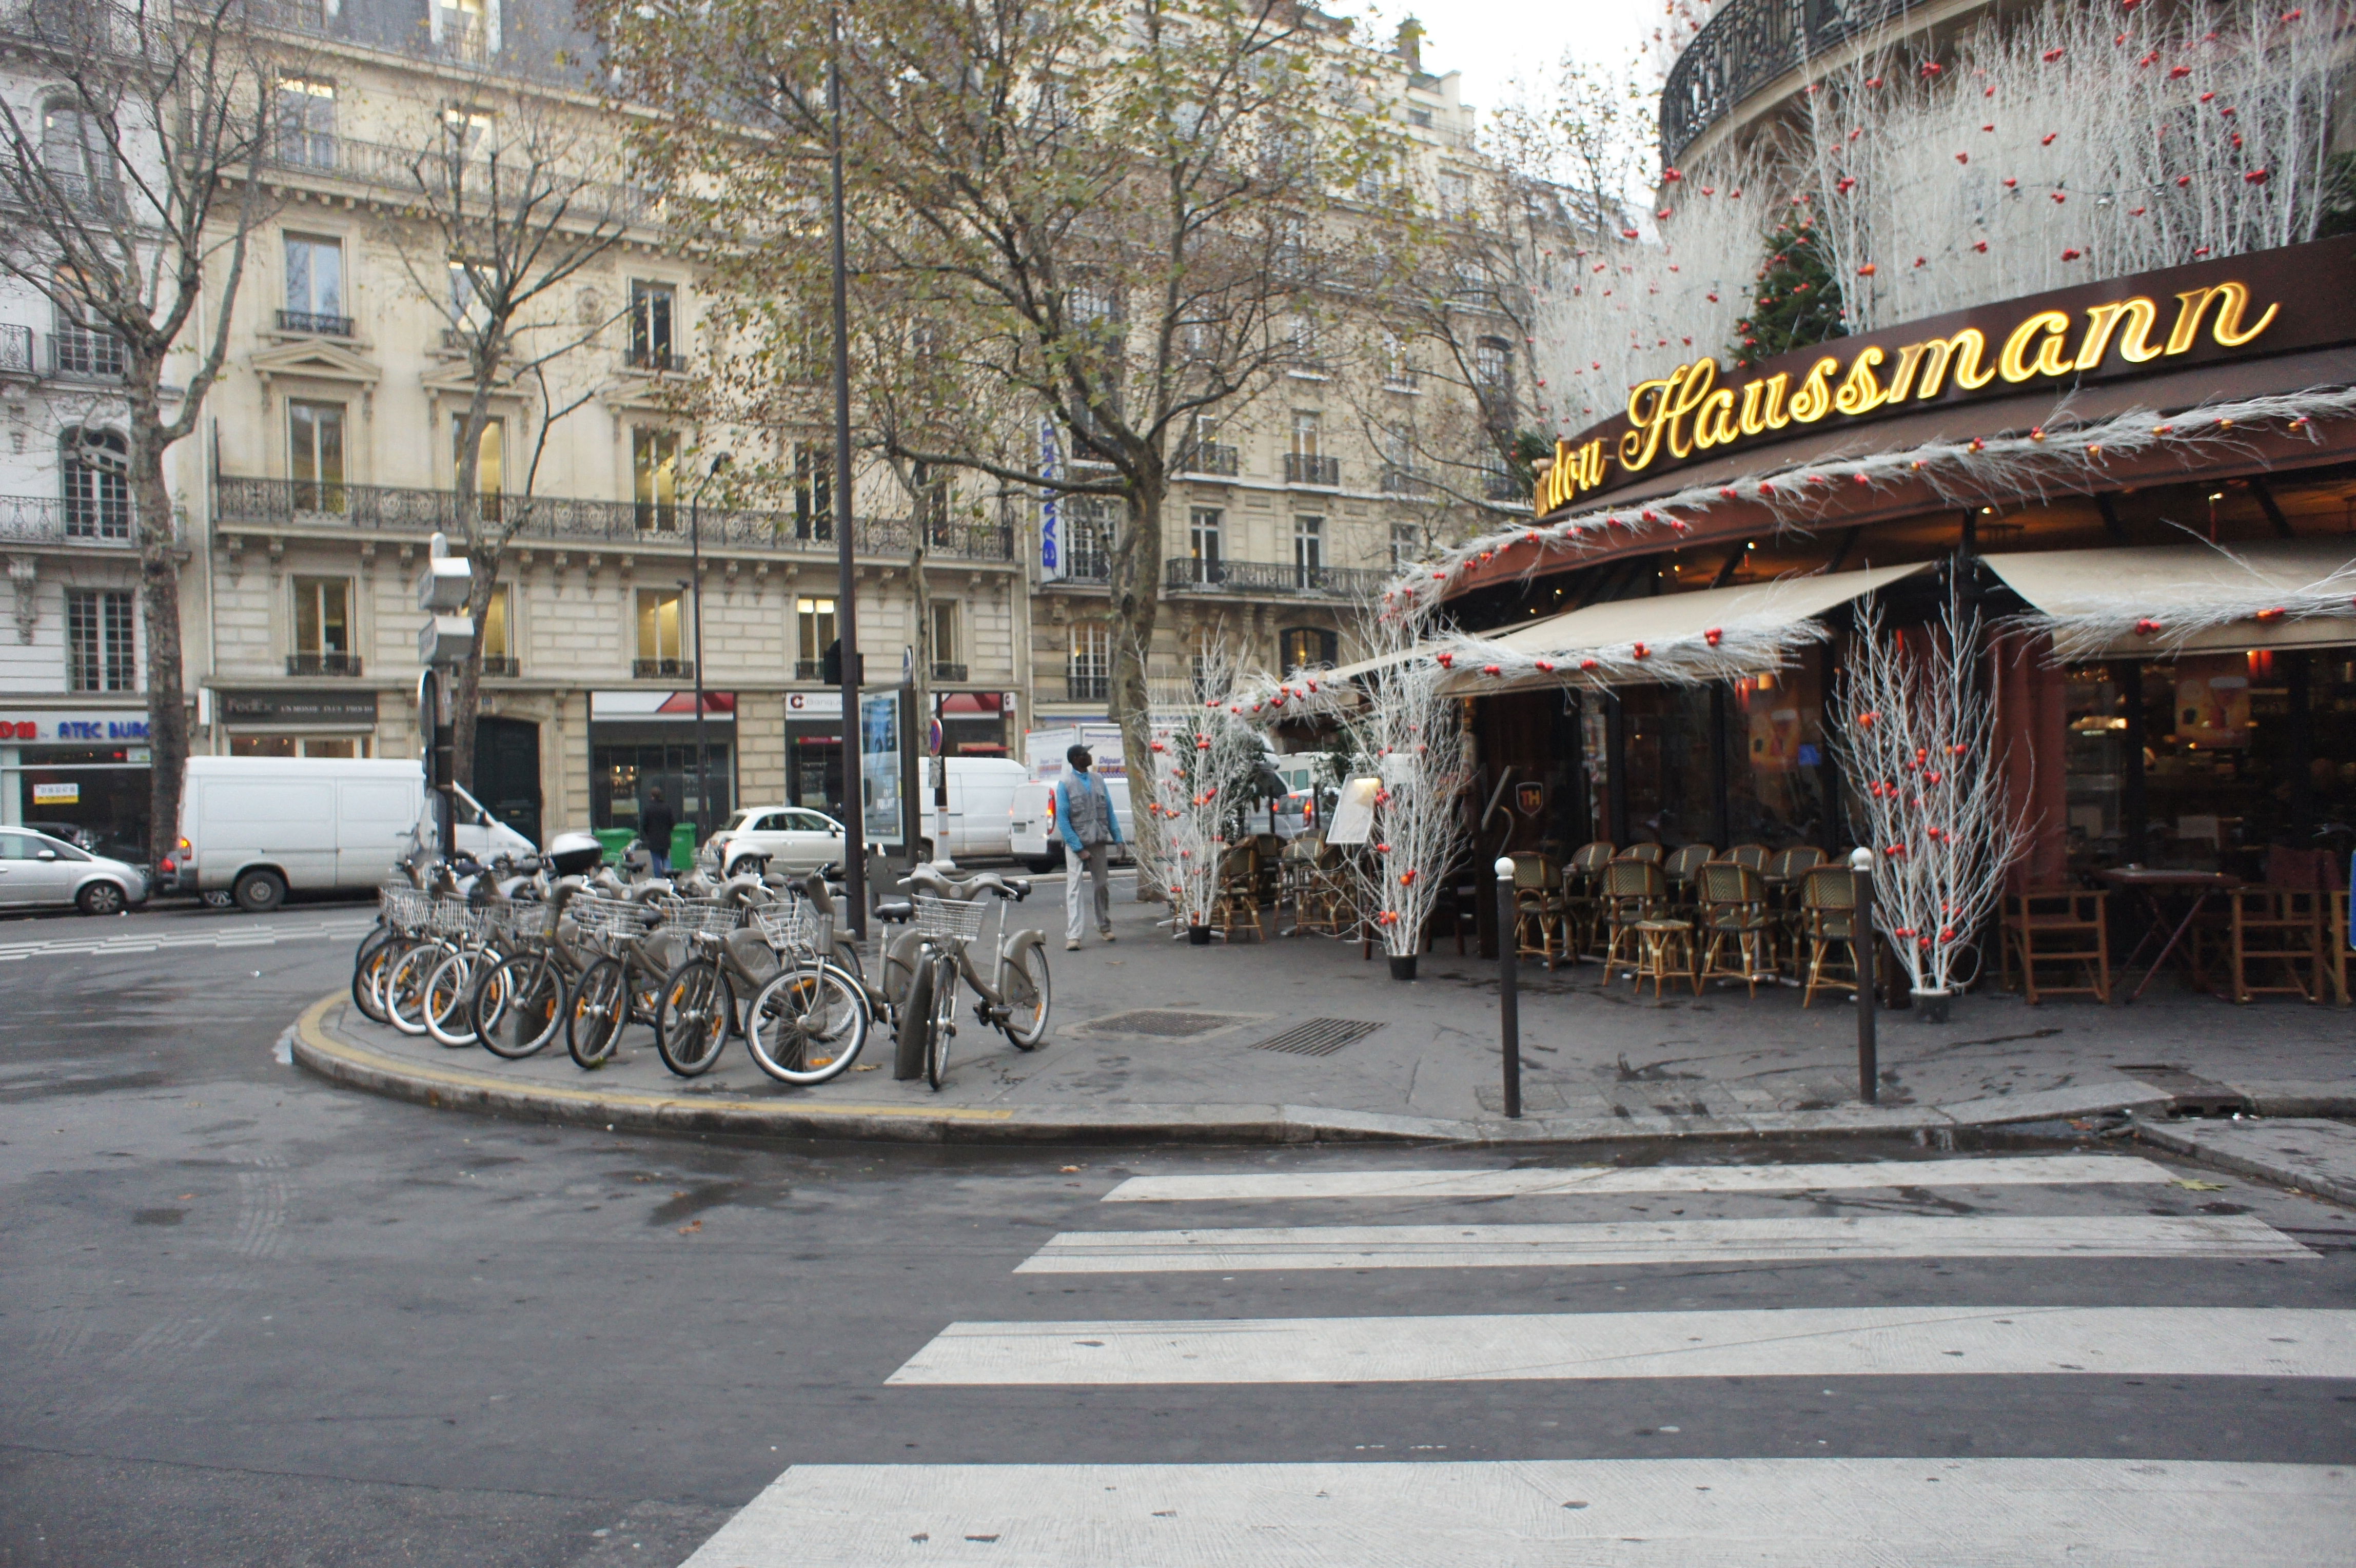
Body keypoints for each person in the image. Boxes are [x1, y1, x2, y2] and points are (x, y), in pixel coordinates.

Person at [1055, 744, 1122, 950]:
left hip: (1098, 840)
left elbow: (1109, 810)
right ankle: (1074, 935)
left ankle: (1104, 925)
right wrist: (1078, 848)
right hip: (1077, 843)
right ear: (1076, 759)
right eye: (1086, 754)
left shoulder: (1098, 780)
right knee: (1074, 889)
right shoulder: (1065, 784)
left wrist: (1118, 838)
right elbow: (1063, 820)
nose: (1090, 756)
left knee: (1101, 885)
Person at [639, 786, 677, 876]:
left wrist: (649, 834)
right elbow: (672, 823)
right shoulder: (667, 807)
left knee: (656, 861)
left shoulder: (648, 809)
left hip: (653, 840)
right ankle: (669, 880)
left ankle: (659, 882)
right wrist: (668, 831)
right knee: (666, 859)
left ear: (652, 796)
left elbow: (644, 824)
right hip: (665, 839)